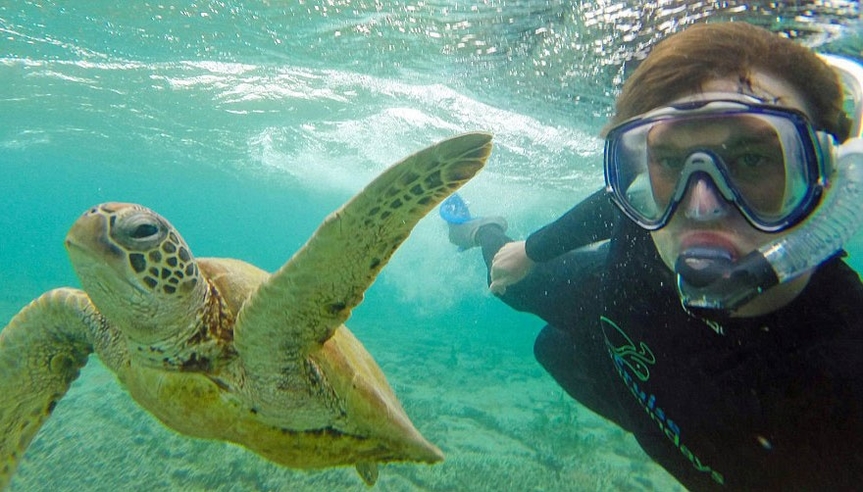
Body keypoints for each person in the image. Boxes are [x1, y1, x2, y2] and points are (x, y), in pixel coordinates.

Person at [443, 22, 863, 490]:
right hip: (612, 305)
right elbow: (617, 198)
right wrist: (530, 250)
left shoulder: (845, 379)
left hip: (628, 371)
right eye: (668, 160)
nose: (701, 207)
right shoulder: (645, 231)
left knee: (550, 348)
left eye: (752, 159)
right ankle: (481, 229)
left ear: (830, 181)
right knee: (512, 285)